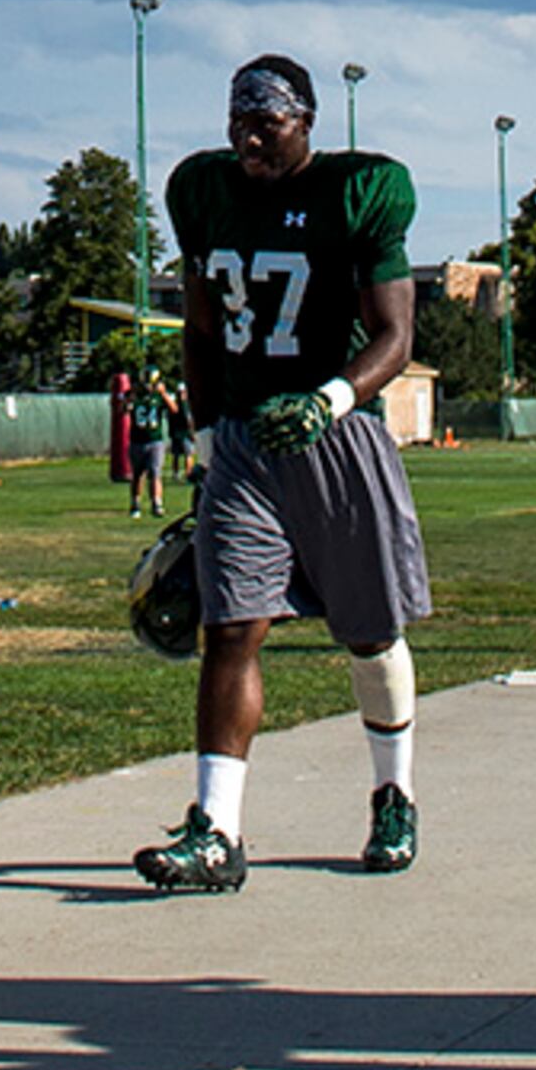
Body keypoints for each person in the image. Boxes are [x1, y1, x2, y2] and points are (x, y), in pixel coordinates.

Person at [133, 55, 431, 892]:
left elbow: (394, 339)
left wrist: (330, 399)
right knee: (231, 627)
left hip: (335, 439)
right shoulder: (207, 194)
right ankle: (216, 829)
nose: (249, 139)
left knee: (369, 631)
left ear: (307, 122)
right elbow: (197, 328)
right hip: (241, 442)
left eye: (267, 123)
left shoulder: (355, 195)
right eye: (238, 123)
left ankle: (393, 793)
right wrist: (202, 431)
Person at [124, 368, 171, 518]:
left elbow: (174, 410)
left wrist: (163, 393)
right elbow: (122, 409)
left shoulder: (158, 397)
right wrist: (131, 397)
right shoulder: (134, 396)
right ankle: (135, 503)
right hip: (137, 440)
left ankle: (156, 503)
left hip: (155, 440)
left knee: (155, 473)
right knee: (138, 474)